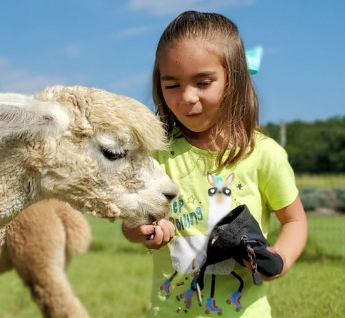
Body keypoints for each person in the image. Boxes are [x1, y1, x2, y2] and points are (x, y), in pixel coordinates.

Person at [121, 11, 307, 317]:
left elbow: (295, 220)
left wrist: (281, 257)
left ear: (233, 79)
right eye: (172, 85)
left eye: (202, 82)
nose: (187, 97)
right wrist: (144, 231)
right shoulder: (156, 157)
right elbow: (131, 225)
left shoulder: (264, 154)